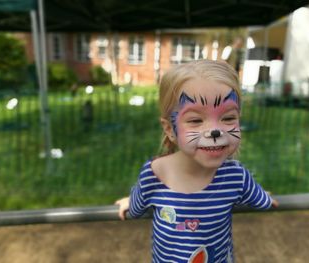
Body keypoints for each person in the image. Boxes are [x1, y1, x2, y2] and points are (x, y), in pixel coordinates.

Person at [115, 60, 278, 263]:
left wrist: (263, 196)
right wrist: (131, 200)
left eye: (228, 118)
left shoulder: (237, 177)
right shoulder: (153, 175)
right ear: (169, 129)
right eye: (195, 120)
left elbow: (262, 201)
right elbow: (136, 208)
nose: (215, 131)